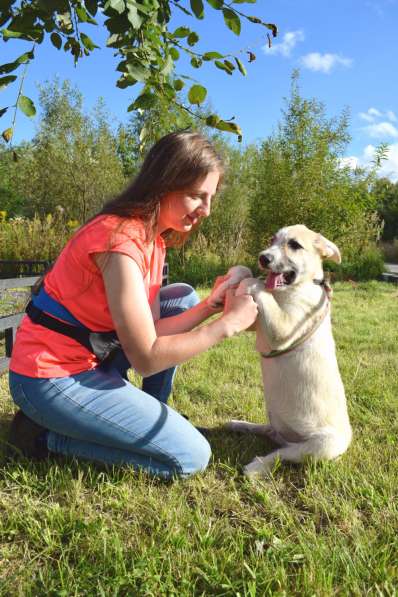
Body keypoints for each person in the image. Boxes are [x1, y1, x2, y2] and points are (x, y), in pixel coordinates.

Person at [7, 131, 258, 479]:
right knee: (190, 456)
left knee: (185, 297)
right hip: (48, 377)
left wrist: (210, 307)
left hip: (89, 360)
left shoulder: (154, 240)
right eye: (196, 196)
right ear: (163, 183)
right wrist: (227, 324)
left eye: (211, 197)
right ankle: (45, 438)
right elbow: (146, 357)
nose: (207, 210)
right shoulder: (120, 240)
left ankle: (147, 415)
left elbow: (150, 333)